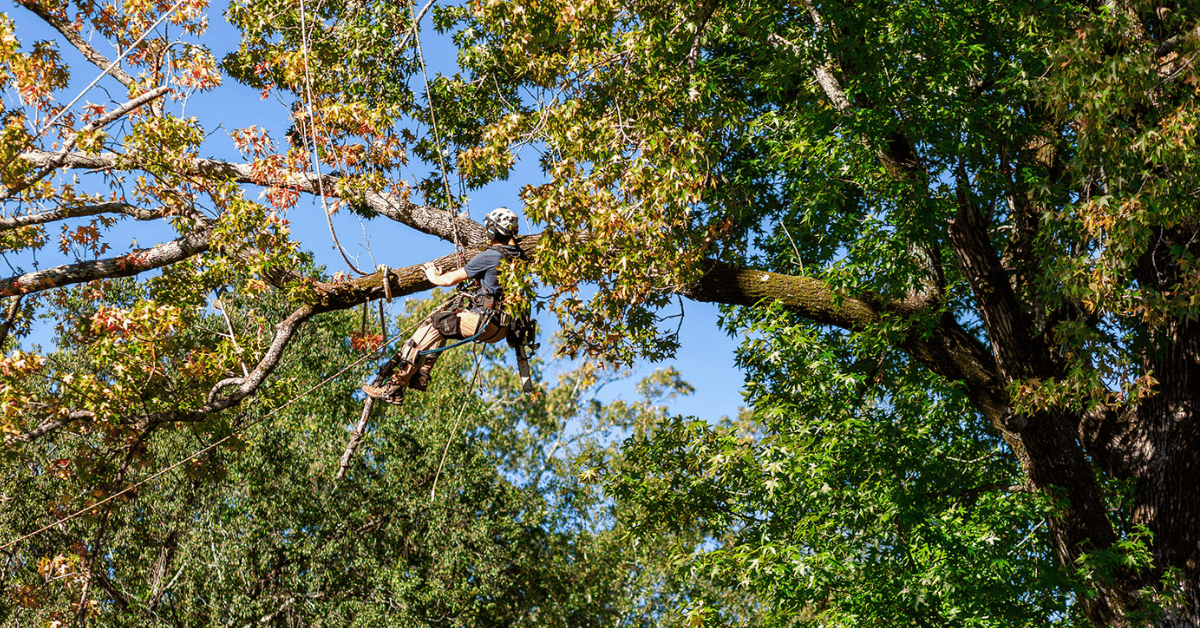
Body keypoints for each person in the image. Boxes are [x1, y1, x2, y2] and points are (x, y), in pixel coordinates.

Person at [361, 206, 523, 403]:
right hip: (501, 327)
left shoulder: (490, 256)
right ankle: (421, 375)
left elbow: (450, 280)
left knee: (435, 323)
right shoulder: (519, 257)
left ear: (495, 230)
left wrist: (433, 276)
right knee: (444, 327)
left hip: (484, 321)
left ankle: (394, 386)